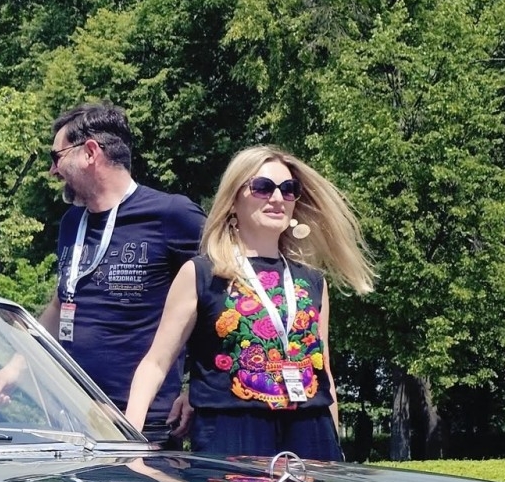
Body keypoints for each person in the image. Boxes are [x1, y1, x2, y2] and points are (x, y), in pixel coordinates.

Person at [123, 146, 374, 459]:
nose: (277, 198)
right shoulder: (201, 274)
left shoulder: (313, 281)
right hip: (231, 435)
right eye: (263, 187)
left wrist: (335, 447)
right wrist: (128, 444)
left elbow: (323, 370)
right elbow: (156, 363)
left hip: (311, 434)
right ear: (233, 199)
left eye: (289, 189)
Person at [0, 104, 205, 444]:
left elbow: (221, 299)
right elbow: (62, 303)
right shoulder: (72, 222)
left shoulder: (171, 214)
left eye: (56, 157)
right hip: (73, 418)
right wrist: (15, 368)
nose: (53, 171)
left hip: (144, 423)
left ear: (89, 152)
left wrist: (198, 388)